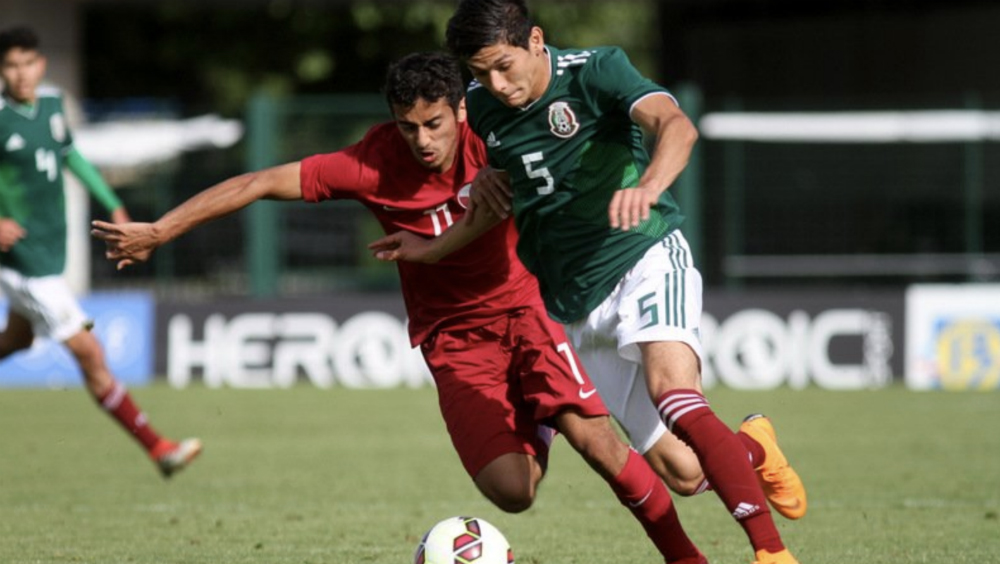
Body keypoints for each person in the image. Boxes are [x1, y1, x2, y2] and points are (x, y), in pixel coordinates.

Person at [94, 51, 710, 563]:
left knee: (602, 446)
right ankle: (540, 414)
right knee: (513, 492)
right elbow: (255, 183)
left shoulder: (497, 137)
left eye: (435, 124)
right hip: (453, 339)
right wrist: (160, 230)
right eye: (408, 126)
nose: (423, 140)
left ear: (460, 110)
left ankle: (685, 557)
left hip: (530, 311)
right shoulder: (369, 163)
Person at [368, 2, 808, 563]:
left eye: (504, 66)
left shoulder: (596, 70)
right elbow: (493, 205)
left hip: (645, 255)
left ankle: (771, 553)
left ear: (534, 40)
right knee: (685, 471)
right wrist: (431, 249)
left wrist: (648, 185)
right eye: (480, 75)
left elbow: (677, 126)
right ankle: (755, 447)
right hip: (575, 306)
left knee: (674, 394)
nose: (497, 85)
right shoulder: (482, 111)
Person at [0, 26, 201, 478]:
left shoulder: (51, 107)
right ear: (2, 70)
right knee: (90, 354)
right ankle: (158, 448)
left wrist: (113, 202)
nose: (21, 73)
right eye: (11, 65)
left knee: (17, 339)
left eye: (28, 63)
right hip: (24, 262)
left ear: (40, 65)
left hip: (51, 250)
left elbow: (72, 158)